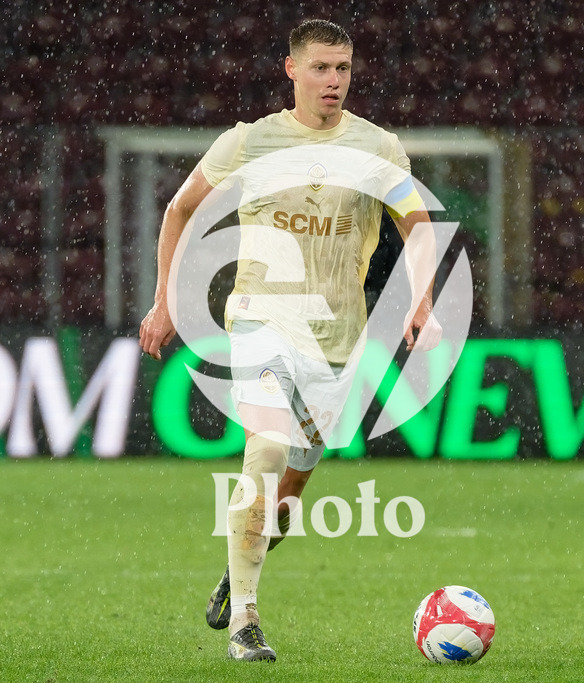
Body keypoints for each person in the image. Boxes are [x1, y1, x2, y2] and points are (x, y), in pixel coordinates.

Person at [138, 18, 441, 662]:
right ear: (291, 69)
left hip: (338, 337)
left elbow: (416, 222)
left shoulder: (377, 148)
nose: (334, 81)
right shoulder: (249, 143)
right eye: (322, 68)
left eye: (344, 70)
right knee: (266, 450)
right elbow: (180, 210)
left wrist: (423, 298)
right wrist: (165, 299)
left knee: (289, 497)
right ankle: (246, 623)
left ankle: (236, 571)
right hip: (261, 320)